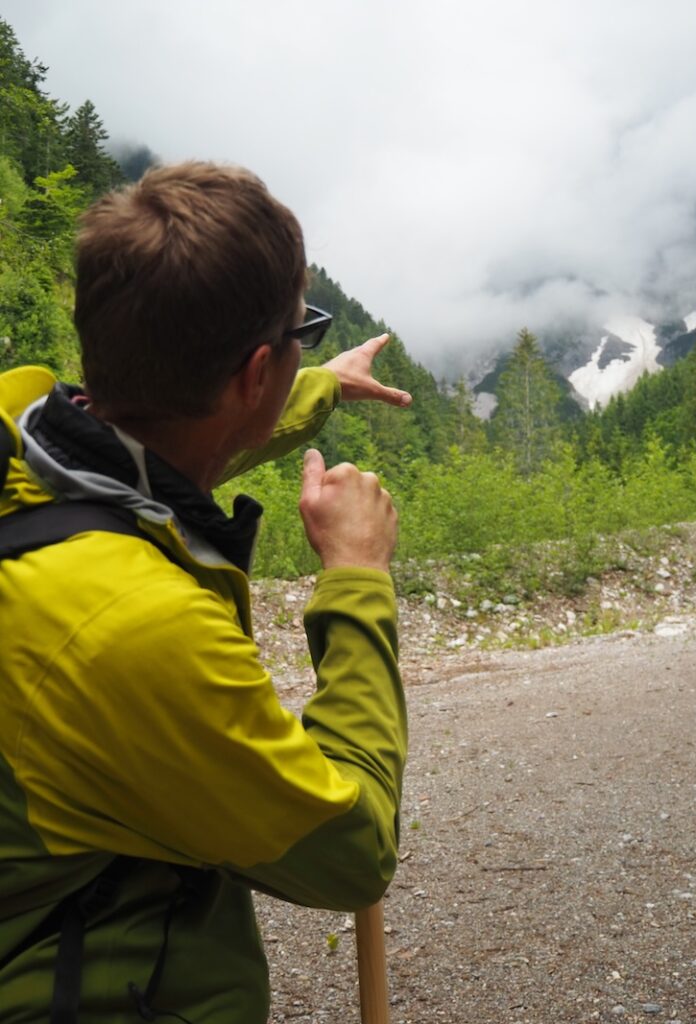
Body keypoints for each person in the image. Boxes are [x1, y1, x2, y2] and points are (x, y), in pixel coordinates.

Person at [0, 162, 410, 1023]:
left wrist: (320, 383)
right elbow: (353, 852)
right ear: (252, 373)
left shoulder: (23, 439)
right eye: (300, 334)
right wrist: (358, 577)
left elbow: (161, 448)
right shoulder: (139, 632)